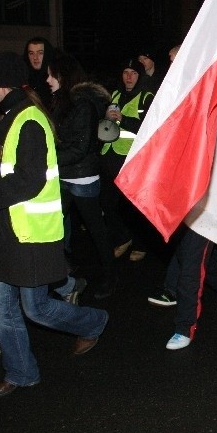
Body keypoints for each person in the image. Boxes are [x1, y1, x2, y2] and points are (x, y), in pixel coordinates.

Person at [0, 52, 108, 398]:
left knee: (37, 308)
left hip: (28, 233)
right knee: (2, 307)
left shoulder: (28, 120)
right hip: (5, 230)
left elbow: (29, 181)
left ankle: (93, 321)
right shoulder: (8, 116)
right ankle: (20, 372)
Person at [46, 51, 117, 299]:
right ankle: (61, 272)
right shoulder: (63, 101)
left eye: (51, 75)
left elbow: (80, 147)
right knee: (53, 225)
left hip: (83, 179)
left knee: (96, 230)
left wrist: (48, 160)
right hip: (65, 175)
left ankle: (110, 277)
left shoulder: (82, 104)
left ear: (62, 76)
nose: (47, 80)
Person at [98, 58, 154, 277]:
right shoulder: (116, 95)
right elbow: (106, 126)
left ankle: (140, 243)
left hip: (131, 159)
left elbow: (149, 127)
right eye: (125, 72)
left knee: (133, 207)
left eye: (133, 73)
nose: (129, 76)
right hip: (109, 155)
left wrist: (124, 119)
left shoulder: (146, 97)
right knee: (107, 202)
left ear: (140, 76)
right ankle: (123, 237)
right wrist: (106, 118)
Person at [150, 224, 217, 350]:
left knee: (191, 269)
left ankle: (184, 328)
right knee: (187, 257)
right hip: (179, 213)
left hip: (203, 215)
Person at [23, 36, 56, 109]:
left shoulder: (55, 79)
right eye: (31, 53)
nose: (35, 57)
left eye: (40, 53)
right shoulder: (23, 79)